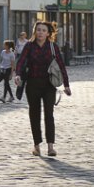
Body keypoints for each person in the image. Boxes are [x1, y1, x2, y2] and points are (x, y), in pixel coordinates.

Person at [14, 21, 71, 156]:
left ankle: (50, 146)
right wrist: (17, 75)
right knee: (34, 114)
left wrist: (66, 85)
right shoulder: (29, 46)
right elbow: (21, 61)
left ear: (48, 33)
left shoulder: (53, 47)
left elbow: (61, 65)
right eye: (38, 30)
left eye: (43, 30)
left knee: (49, 115)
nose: (40, 32)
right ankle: (37, 146)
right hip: (32, 84)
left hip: (48, 85)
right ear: (35, 32)